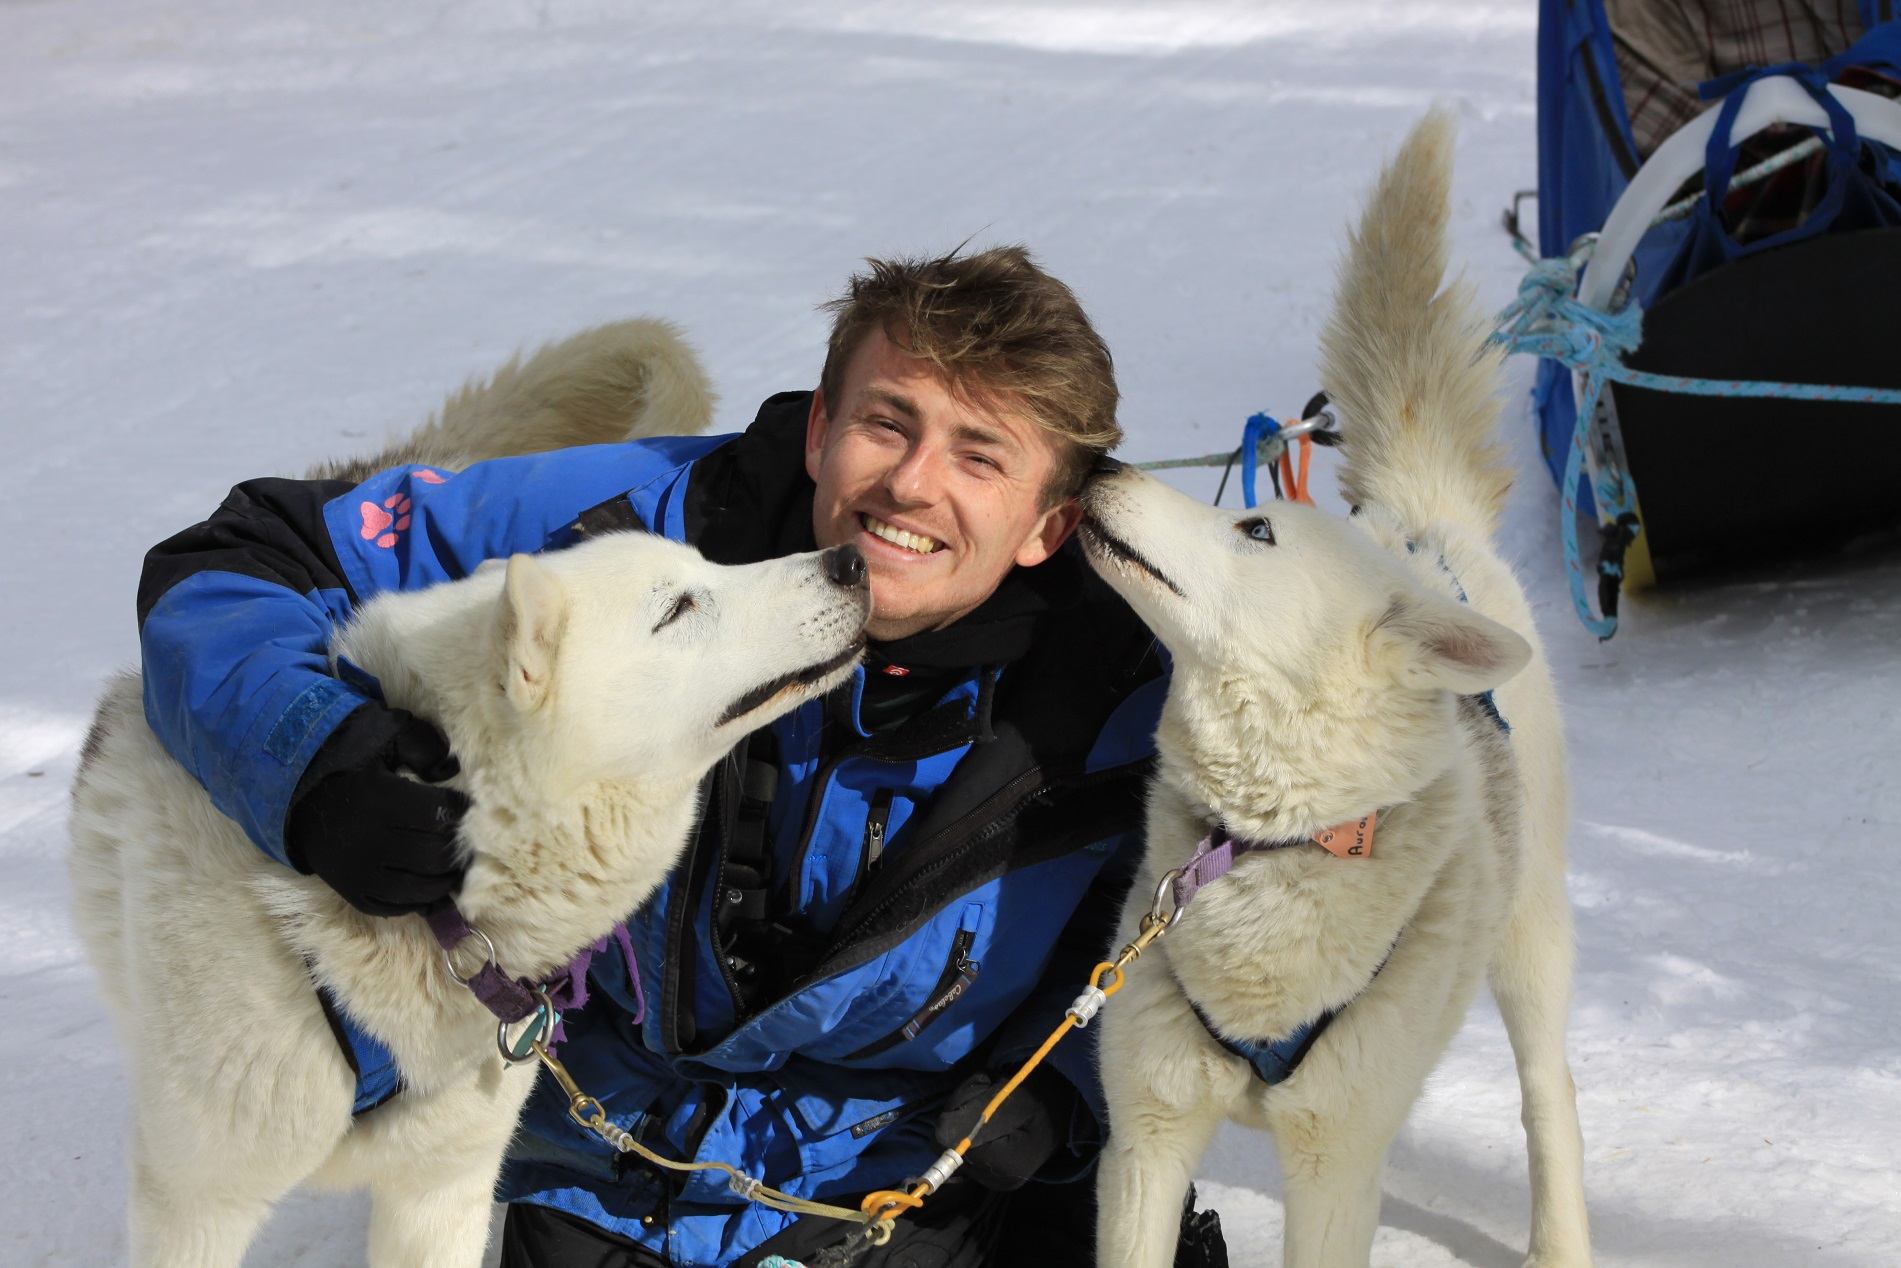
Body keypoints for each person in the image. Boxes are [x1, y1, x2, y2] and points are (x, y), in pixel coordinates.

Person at [136, 247, 1228, 1267]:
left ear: (1047, 523)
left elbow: (1211, 940)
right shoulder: (626, 539)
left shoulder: (1136, 682)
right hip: (607, 1161)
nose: (908, 483)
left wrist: (1058, 1104)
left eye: (978, 456)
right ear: (816, 431)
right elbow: (241, 560)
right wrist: (315, 764)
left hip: (925, 1178)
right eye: (886, 423)